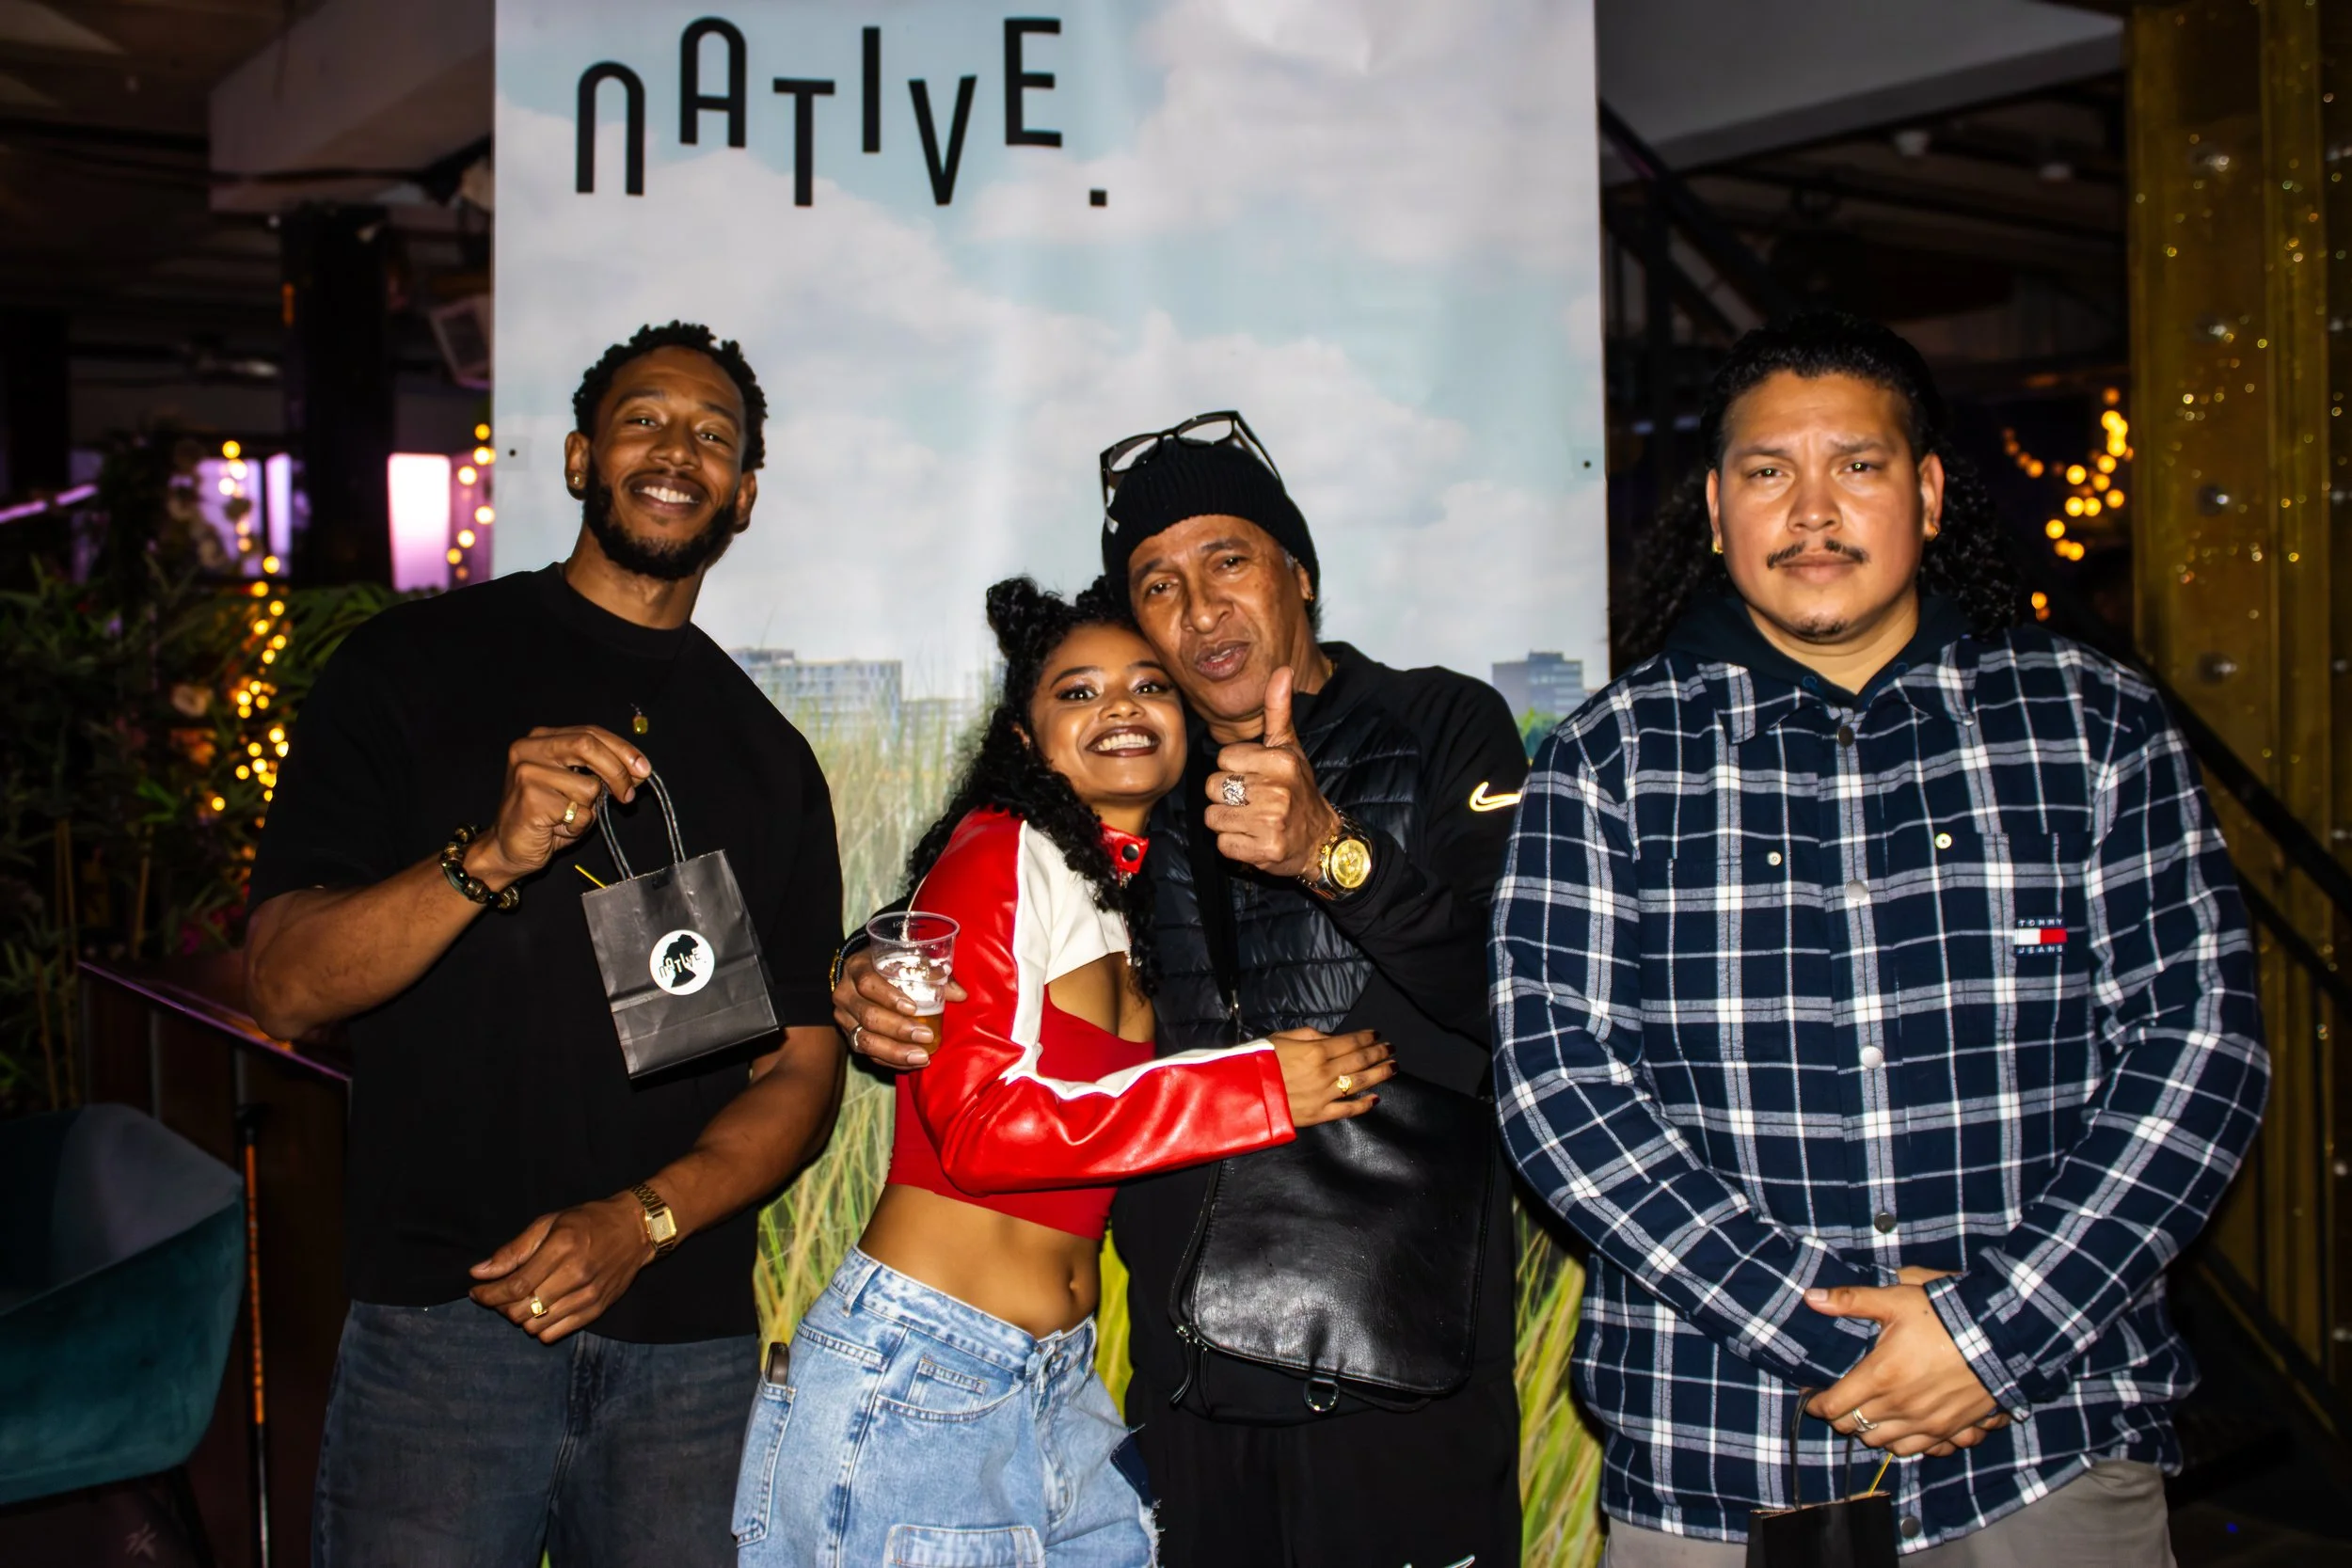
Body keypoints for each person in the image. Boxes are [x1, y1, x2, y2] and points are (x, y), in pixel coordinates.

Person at [1492, 312, 2268, 1565]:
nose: (1810, 509)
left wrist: (1987, 1335)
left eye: (1853, 464)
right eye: (1766, 472)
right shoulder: (1609, 758)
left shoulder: (2090, 722)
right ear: (1713, 507)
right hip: (1719, 1458)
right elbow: (1559, 1086)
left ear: (1925, 487)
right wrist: (1850, 1340)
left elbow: (2198, 1048)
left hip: (2044, 1437)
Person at [840, 413, 1528, 1568]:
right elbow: (1000, 879)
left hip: (1401, 1357)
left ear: (1298, 573)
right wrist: (870, 957)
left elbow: (1519, 998)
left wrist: (1329, 853)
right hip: (1185, 1376)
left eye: (1227, 561)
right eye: (1157, 582)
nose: (1199, 608)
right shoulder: (1138, 772)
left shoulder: (1440, 721)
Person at [245, 322, 846, 1567]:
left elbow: (799, 1066)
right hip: (443, 1326)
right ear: (579, 457)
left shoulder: (767, 757)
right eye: (644, 419)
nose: (676, 448)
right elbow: (287, 984)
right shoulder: (407, 669)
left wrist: (641, 1221)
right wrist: (489, 856)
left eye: (713, 435)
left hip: (686, 1348)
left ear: (742, 495)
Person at [735, 576, 1393, 1565]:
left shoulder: (1128, 891)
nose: (1121, 706)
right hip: (924, 1368)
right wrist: (1258, 1086)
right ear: (1019, 738)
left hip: (1055, 1380)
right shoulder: (1000, 850)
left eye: (1148, 686)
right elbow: (986, 1127)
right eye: (1077, 692)